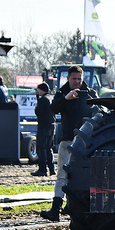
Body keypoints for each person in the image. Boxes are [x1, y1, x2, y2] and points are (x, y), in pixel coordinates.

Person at [41, 66, 98, 222]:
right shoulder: (61, 93)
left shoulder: (89, 93)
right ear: (68, 78)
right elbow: (53, 109)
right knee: (62, 174)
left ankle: (75, 206)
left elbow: (98, 112)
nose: (77, 82)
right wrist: (66, 99)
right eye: (74, 79)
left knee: (85, 175)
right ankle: (55, 208)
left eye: (79, 79)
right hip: (67, 140)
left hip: (87, 143)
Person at [31, 82, 56, 177]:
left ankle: (42, 169)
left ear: (41, 90)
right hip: (51, 126)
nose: (37, 92)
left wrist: (37, 102)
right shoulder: (50, 98)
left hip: (43, 127)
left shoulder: (43, 100)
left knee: (41, 148)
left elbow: (38, 112)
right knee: (49, 148)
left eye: (38, 90)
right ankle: (51, 168)